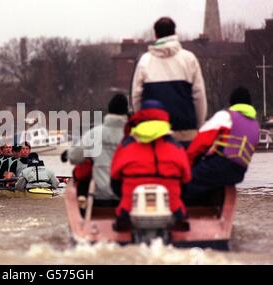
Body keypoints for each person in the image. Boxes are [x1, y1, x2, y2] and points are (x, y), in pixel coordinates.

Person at [110, 100, 191, 231]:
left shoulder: (126, 144)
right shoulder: (176, 146)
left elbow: (114, 179)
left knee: (122, 219)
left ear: (141, 117)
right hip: (173, 207)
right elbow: (186, 179)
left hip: (129, 207)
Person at [131, 17, 207, 146]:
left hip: (153, 135)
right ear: (174, 33)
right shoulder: (189, 59)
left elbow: (136, 97)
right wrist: (198, 125)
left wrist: (142, 123)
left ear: (155, 35)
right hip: (185, 132)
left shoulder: (144, 61)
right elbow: (199, 96)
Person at [182, 87, 260, 205]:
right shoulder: (255, 125)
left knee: (184, 186)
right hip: (239, 173)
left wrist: (185, 165)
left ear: (230, 102)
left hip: (218, 167)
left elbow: (200, 142)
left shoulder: (225, 116)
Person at [63, 93, 129, 204]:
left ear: (109, 110)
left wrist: (67, 154)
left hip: (100, 196)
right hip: (127, 197)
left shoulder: (95, 133)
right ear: (126, 112)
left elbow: (75, 157)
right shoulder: (132, 135)